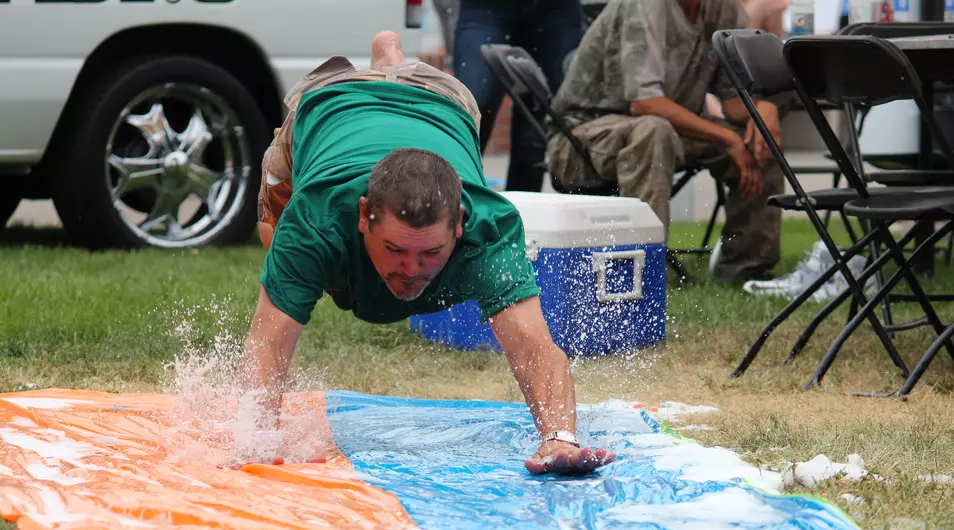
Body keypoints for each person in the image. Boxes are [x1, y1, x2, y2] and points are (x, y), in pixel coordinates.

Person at [246, 31, 614, 477]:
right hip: (330, 100)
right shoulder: (314, 220)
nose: (411, 270)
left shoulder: (488, 231)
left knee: (302, 265)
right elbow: (268, 342)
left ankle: (391, 59)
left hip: (442, 100)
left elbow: (534, 348)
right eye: (395, 249)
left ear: (459, 223)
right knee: (274, 237)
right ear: (364, 216)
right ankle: (388, 61)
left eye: (431, 253)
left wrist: (560, 438)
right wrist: (257, 436)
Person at [547, 0, 785, 284]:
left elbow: (733, 102)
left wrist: (762, 109)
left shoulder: (725, 10)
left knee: (758, 137)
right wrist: (727, 138)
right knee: (653, 131)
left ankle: (746, 272)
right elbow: (644, 104)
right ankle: (637, 276)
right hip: (580, 140)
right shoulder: (644, 5)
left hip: (665, 128)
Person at [453, 0, 585, 192]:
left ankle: (521, 214)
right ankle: (456, 204)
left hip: (557, 9)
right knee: (472, 106)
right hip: (484, 7)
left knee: (538, 117)